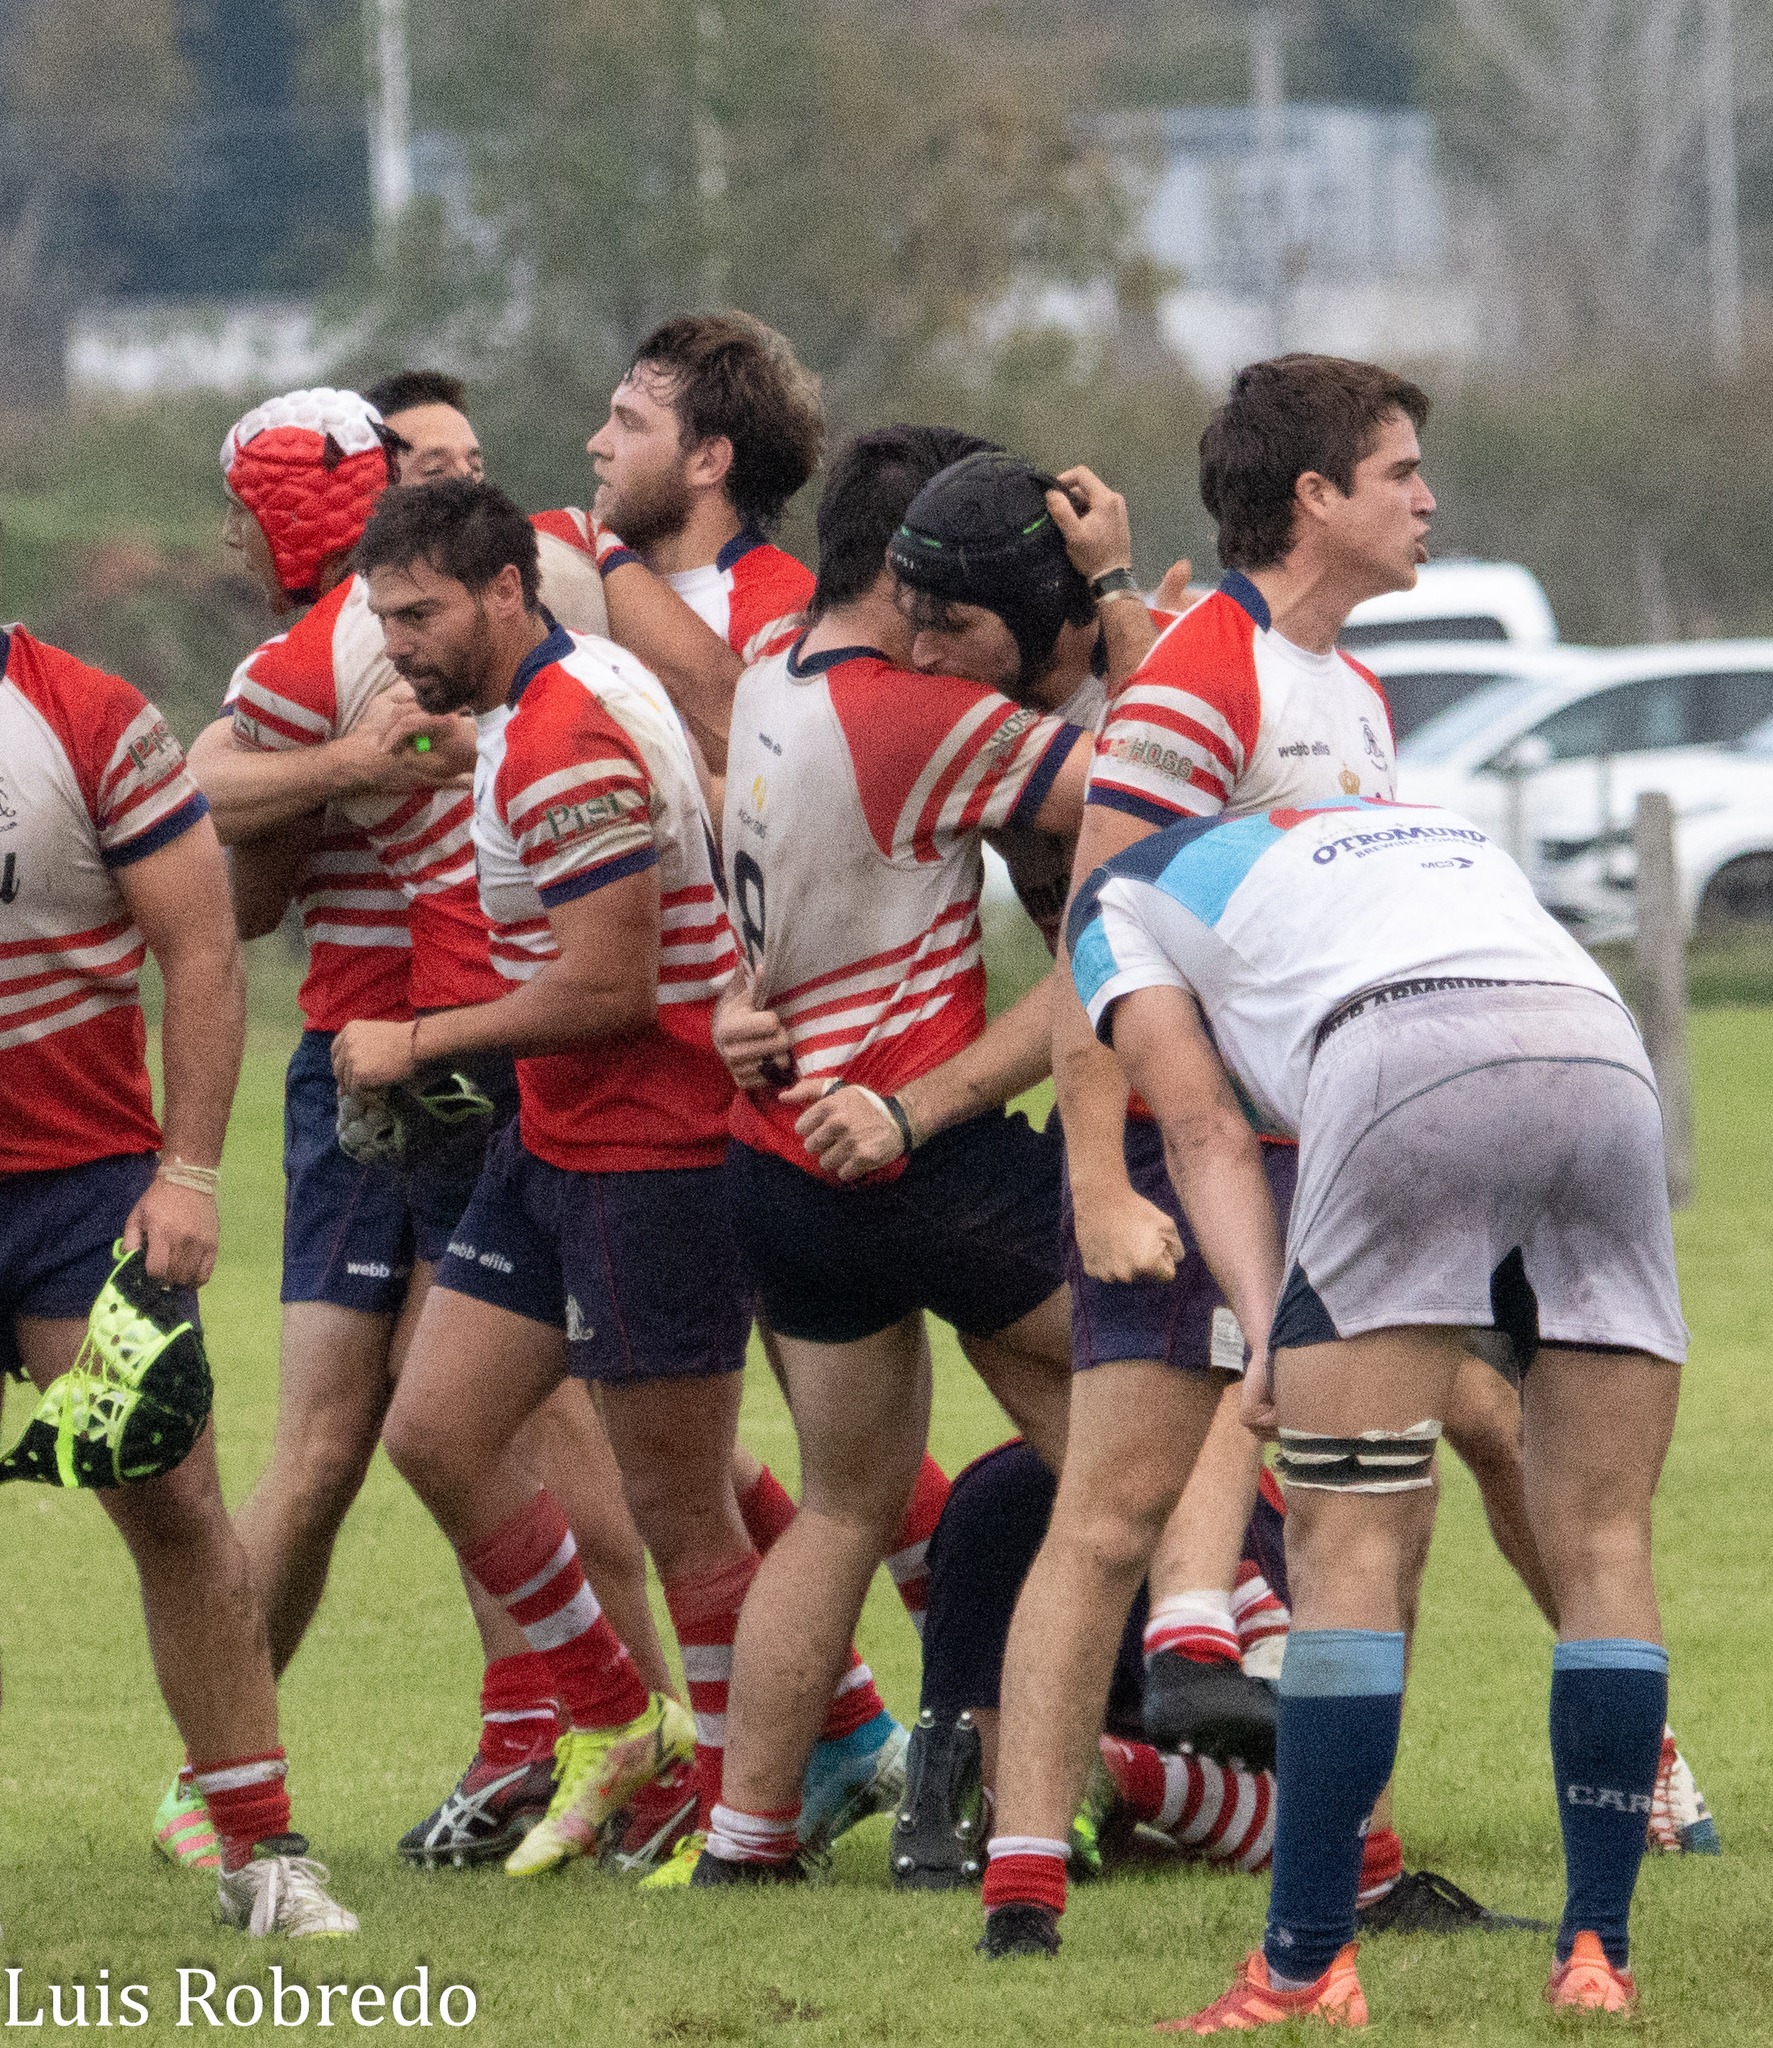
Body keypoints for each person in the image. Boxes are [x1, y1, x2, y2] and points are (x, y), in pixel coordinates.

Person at [1067, 794, 1686, 2025]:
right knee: (1607, 1537)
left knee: (1346, 1543)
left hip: (1400, 1062)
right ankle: (1596, 1954)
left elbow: (1201, 1128)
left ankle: (1301, 1966)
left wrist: (1260, 1330)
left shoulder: (1112, 899)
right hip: (1601, 1050)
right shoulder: (1402, 816)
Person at [182, 385, 675, 1875]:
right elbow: (253, 877)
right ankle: (560, 1729)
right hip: (441, 1048)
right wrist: (342, 780)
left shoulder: (319, 651)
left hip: (409, 1056)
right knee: (491, 1415)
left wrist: (329, 773)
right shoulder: (513, 614)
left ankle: (620, 1733)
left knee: (453, 1424)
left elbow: (198, 810)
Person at [331, 475, 759, 1876]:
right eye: (385, 614)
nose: (398, 641)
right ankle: (612, 1718)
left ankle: (747, 1795)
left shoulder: (563, 737)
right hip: (558, 1138)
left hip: (649, 1143)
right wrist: (475, 754)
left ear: (508, 592)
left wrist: (418, 1036)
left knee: (683, 1512)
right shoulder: (551, 706)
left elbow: (611, 986)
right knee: (437, 1429)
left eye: (423, 611)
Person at [693, 426, 1096, 1885]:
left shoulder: (769, 682)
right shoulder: (908, 715)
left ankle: (747, 1839)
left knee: (848, 1502)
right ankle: (1131, 1744)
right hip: (916, 1157)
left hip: (778, 1159)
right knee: (1194, 1383)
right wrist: (1107, 604)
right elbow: (1159, 782)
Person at [0, 623, 355, 1936]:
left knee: (175, 1503)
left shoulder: (87, 716)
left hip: (80, 1198)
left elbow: (203, 949)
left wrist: (190, 1172)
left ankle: (262, 1854)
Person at [893, 1437, 1287, 1890]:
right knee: (1315, 1818)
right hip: (1196, 1499)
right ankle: (1112, 1772)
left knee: (979, 1782)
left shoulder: (991, 1486)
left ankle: (958, 1790)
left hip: (1000, 1484)